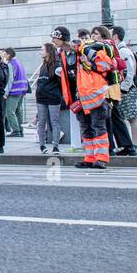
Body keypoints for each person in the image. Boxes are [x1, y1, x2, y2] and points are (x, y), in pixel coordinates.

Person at [56, 28, 115, 168]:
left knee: (98, 127)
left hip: (95, 95)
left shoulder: (86, 50)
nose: (53, 41)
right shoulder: (65, 54)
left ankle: (102, 158)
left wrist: (90, 64)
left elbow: (107, 65)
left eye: (55, 37)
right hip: (81, 97)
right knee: (86, 128)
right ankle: (90, 157)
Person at [92, 24, 136, 156]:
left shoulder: (104, 46)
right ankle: (127, 145)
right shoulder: (111, 46)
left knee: (107, 117)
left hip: (108, 86)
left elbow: (104, 66)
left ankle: (110, 146)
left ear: (103, 35)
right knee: (115, 116)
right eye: (92, 33)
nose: (93, 36)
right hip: (112, 85)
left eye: (96, 33)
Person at [110, 25, 137, 148]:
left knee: (131, 116)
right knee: (124, 116)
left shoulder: (123, 51)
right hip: (122, 88)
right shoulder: (119, 50)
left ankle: (134, 144)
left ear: (115, 36)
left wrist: (124, 88)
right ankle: (128, 143)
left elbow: (129, 71)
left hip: (126, 89)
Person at [33, 42, 66, 155]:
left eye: (42, 49)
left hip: (53, 97)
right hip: (42, 97)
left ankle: (55, 146)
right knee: (41, 122)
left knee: (54, 121)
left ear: (48, 51)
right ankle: (42, 145)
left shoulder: (57, 65)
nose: (40, 52)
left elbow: (61, 82)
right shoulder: (43, 65)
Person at [2, 47, 29, 137]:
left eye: (5, 54)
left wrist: (6, 93)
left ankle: (16, 130)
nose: (4, 56)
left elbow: (10, 79)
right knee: (19, 111)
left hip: (14, 91)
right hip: (22, 90)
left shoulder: (11, 64)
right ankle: (20, 130)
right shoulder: (19, 62)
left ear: (9, 54)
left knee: (10, 112)